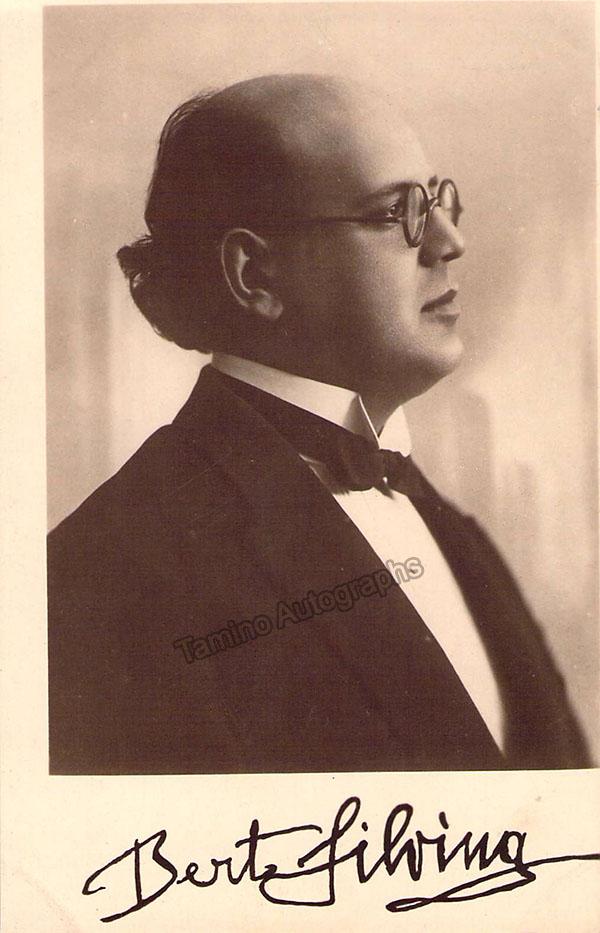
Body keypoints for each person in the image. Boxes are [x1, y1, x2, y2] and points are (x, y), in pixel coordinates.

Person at [47, 74, 590, 774]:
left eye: (436, 200)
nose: (449, 241)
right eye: (396, 212)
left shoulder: (457, 532)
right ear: (255, 275)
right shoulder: (105, 575)